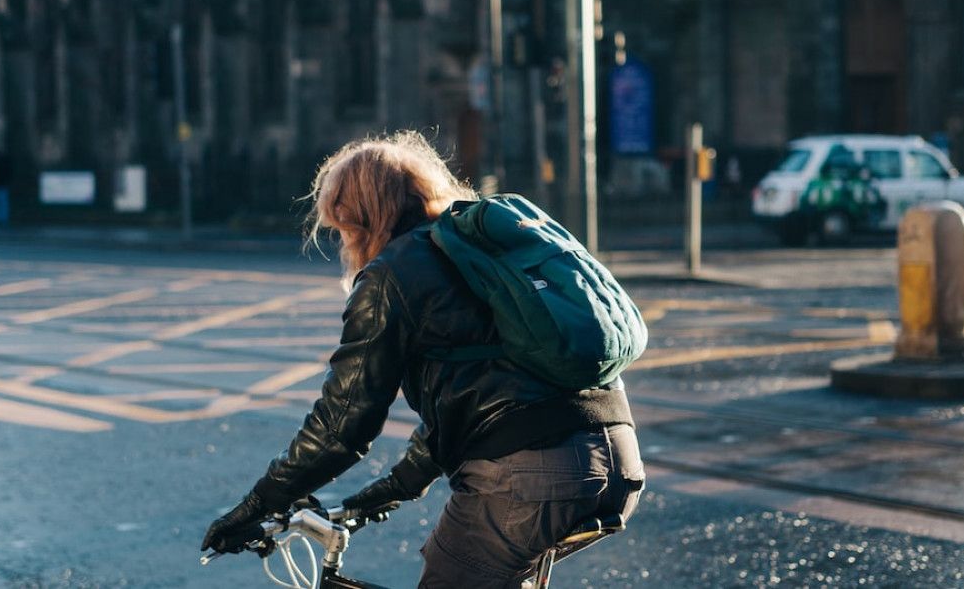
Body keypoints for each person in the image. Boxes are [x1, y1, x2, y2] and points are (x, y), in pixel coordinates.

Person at [201, 132, 645, 588]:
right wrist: (385, 494)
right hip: (614, 457)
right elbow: (473, 399)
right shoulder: (471, 255)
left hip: (529, 476)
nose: (344, 242)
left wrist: (258, 503)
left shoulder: (391, 274)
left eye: (343, 227)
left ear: (362, 219)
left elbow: (343, 421)